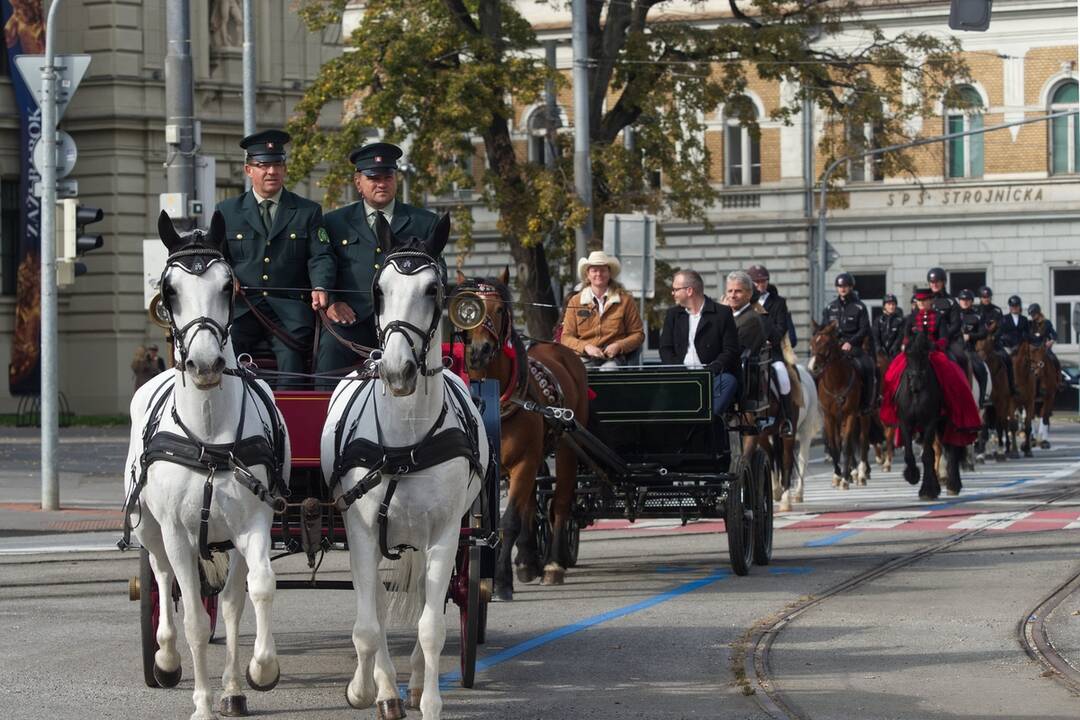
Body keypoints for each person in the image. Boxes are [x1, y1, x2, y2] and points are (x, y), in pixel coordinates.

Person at [216, 129, 335, 383]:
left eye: (277, 164)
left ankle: (286, 421)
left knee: (292, 368)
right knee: (225, 357)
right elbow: (216, 257)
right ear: (249, 170)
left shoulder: (307, 211)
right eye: (263, 165)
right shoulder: (227, 211)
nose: (272, 171)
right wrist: (228, 276)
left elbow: (320, 256)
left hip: (288, 311)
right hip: (242, 309)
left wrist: (321, 285)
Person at [315, 142, 441, 377]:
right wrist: (332, 301)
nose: (382, 184)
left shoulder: (424, 223)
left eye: (388, 177)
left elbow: (437, 274)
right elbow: (323, 264)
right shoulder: (334, 222)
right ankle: (326, 414)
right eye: (373, 178)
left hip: (406, 322)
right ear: (358, 183)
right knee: (328, 356)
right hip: (352, 320)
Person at [881, 288, 981, 445]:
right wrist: (905, 345)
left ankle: (953, 405)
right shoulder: (911, 318)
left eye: (924, 301)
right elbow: (906, 336)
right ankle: (893, 405)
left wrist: (935, 345)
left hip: (933, 352)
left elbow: (943, 338)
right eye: (919, 301)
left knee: (951, 372)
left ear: (930, 301)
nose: (921, 304)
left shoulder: (939, 317)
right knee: (892, 373)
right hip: (914, 353)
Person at [659, 269, 740, 416]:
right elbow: (665, 349)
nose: (673, 293)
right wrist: (680, 371)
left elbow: (730, 350)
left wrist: (711, 370)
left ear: (689, 291)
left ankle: (705, 421)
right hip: (680, 377)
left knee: (729, 381)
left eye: (676, 289)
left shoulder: (722, 313)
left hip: (712, 377)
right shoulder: (673, 315)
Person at [560, 250, 645, 368]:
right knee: (583, 370)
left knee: (609, 369)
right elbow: (566, 337)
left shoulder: (625, 300)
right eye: (594, 270)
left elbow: (638, 334)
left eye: (603, 270)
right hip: (585, 357)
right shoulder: (575, 301)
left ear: (609, 273)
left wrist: (618, 346)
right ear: (588, 275)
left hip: (615, 358)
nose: (598, 274)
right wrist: (586, 347)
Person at [747, 265, 796, 434]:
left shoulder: (778, 302)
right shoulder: (744, 302)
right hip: (748, 352)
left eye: (763, 281)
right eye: (757, 281)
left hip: (771, 351)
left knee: (783, 376)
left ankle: (786, 419)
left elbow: (781, 327)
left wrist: (769, 338)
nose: (760, 284)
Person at [821, 272, 876, 414]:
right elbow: (824, 328)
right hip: (834, 349)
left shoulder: (859, 307)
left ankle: (867, 402)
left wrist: (851, 342)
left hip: (853, 347)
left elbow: (864, 329)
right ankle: (820, 403)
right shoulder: (830, 308)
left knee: (868, 367)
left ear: (851, 287)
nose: (842, 289)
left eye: (845, 286)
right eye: (840, 286)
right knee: (816, 370)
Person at [977, 285, 1018, 397]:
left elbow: (1000, 327)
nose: (986, 299)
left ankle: (1011, 387)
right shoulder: (976, 310)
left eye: (988, 297)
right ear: (980, 298)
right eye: (984, 297)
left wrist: (994, 337)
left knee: (1007, 359)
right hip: (979, 343)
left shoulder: (996, 310)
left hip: (994, 343)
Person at [957, 289, 989, 406]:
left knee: (981, 369)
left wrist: (970, 336)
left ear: (971, 301)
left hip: (969, 350)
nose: (965, 302)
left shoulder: (977, 316)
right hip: (954, 348)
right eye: (962, 300)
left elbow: (983, 333)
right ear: (959, 301)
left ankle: (982, 398)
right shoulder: (954, 314)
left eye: (967, 300)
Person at [926, 267, 963, 359]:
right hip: (926, 340)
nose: (934, 284)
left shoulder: (951, 302)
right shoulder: (924, 301)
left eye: (937, 281)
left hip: (948, 340)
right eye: (932, 282)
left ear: (943, 282)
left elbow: (955, 324)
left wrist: (942, 337)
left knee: (962, 357)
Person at [1028, 303, 1061, 371]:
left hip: (1044, 348)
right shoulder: (1030, 324)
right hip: (1033, 349)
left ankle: (1059, 378)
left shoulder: (1047, 323)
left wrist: (1051, 342)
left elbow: (1055, 335)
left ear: (1038, 312)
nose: (1032, 316)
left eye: (1033, 314)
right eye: (1031, 315)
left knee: (1054, 359)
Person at [873, 293, 905, 358]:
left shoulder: (900, 320)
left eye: (893, 304)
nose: (891, 307)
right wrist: (878, 347)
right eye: (889, 304)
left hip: (895, 352)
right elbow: (875, 336)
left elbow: (900, 336)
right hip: (881, 352)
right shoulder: (878, 320)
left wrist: (895, 346)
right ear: (884, 306)